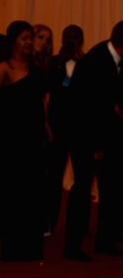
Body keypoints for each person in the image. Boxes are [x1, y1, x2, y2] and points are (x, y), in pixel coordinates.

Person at [0, 20, 48, 261]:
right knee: (13, 192)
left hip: (33, 139)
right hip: (11, 142)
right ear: (14, 41)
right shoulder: (4, 68)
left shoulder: (37, 67)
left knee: (34, 191)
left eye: (30, 38)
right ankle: (12, 247)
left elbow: (43, 102)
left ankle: (32, 247)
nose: (29, 42)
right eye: (24, 38)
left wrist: (47, 128)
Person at [72, 21, 123, 255]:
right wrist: (94, 145)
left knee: (111, 190)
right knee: (82, 191)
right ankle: (73, 246)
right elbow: (84, 108)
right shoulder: (94, 61)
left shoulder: (115, 60)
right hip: (87, 138)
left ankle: (106, 241)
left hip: (111, 138)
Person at [45, 25, 91, 259]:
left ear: (81, 41)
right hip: (57, 128)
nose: (71, 41)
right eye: (67, 38)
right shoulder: (54, 63)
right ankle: (49, 222)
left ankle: (80, 227)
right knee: (53, 176)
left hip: (81, 129)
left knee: (82, 180)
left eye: (75, 38)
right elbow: (46, 94)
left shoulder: (88, 63)